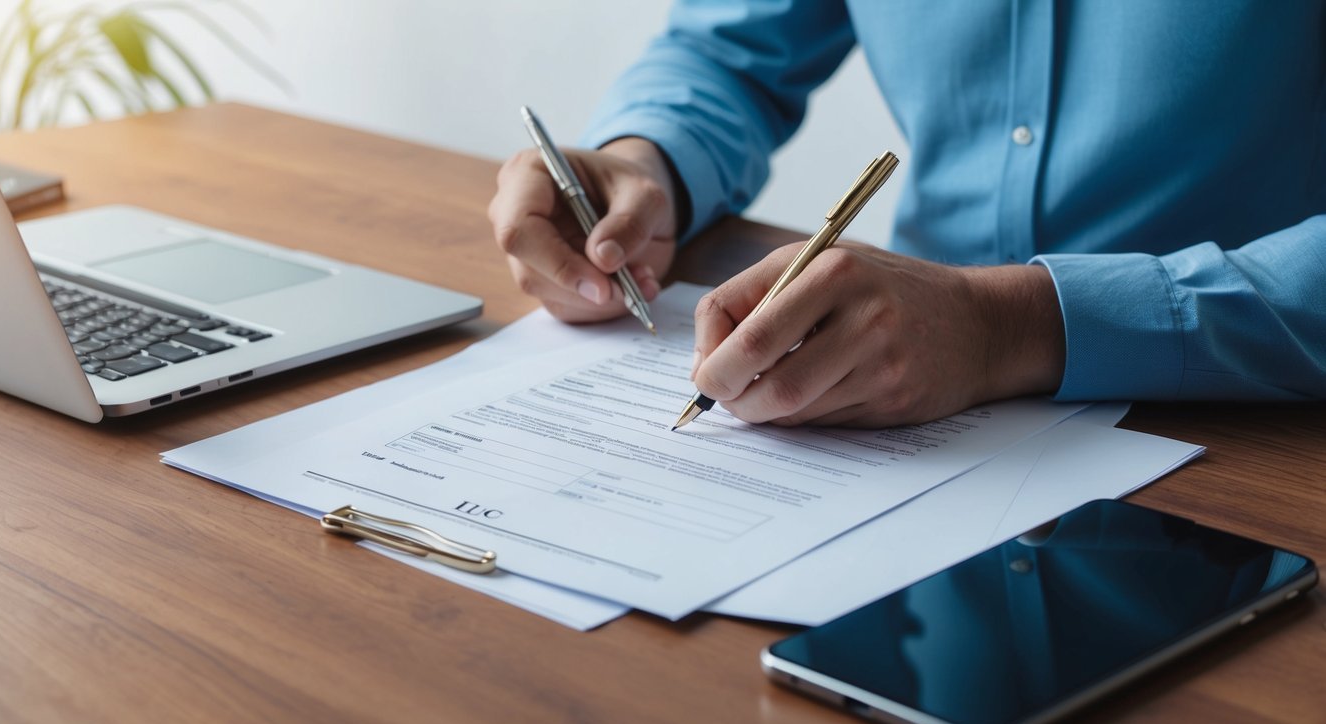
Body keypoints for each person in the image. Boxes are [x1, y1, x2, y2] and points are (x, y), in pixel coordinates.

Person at [488, 1, 1326, 428]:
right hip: (901, 394)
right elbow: (729, 49)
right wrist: (646, 161)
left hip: (1244, 428)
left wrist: (1008, 326)